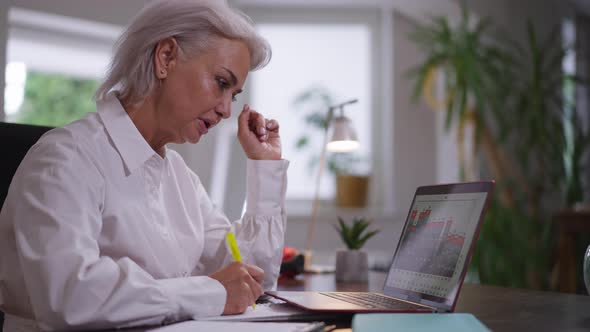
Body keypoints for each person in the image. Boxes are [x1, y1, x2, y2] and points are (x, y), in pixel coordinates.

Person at [0, 0, 289, 331]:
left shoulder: (182, 180)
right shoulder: (64, 160)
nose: (226, 110)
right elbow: (71, 297)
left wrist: (265, 167)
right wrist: (208, 291)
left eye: (234, 96)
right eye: (222, 82)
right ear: (165, 57)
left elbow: (250, 279)